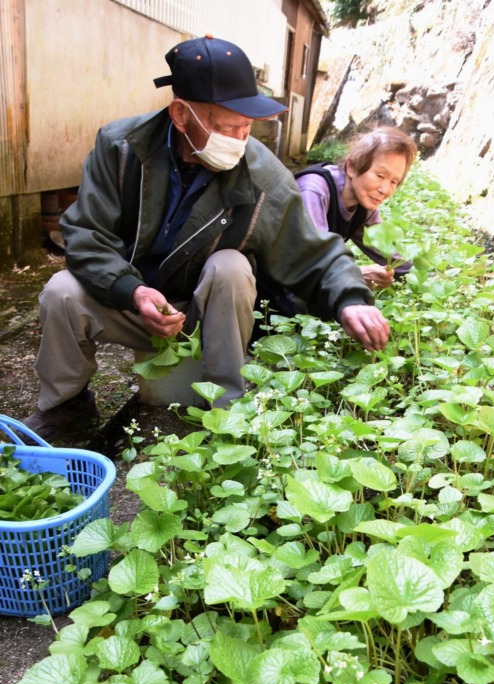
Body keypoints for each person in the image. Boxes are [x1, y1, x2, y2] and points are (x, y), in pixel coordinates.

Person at [24, 36, 390, 442]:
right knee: (61, 290)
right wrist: (132, 292)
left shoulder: (263, 176)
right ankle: (66, 407)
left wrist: (350, 300)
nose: (239, 137)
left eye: (247, 126)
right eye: (227, 126)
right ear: (181, 115)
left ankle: (226, 409)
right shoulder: (121, 148)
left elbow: (313, 252)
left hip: (202, 312)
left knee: (231, 266)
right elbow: (86, 233)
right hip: (130, 304)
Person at [253, 127, 417, 330]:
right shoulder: (314, 190)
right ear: (352, 167)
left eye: (394, 181)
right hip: (267, 297)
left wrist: (427, 271)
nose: (385, 189)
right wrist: (359, 274)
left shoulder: (363, 205)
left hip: (302, 291)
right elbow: (311, 258)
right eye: (380, 175)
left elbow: (394, 256)